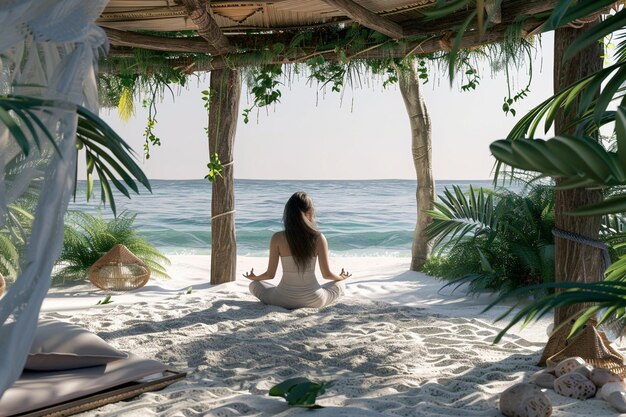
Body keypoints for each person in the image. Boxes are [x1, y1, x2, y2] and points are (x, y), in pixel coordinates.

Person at [244, 192, 351, 309]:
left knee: (254, 285)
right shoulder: (319, 238)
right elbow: (327, 275)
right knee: (340, 284)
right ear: (310, 213)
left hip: (282, 299)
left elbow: (270, 275)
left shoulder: (277, 237)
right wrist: (342, 277)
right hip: (315, 300)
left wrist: (255, 277)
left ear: (288, 214)